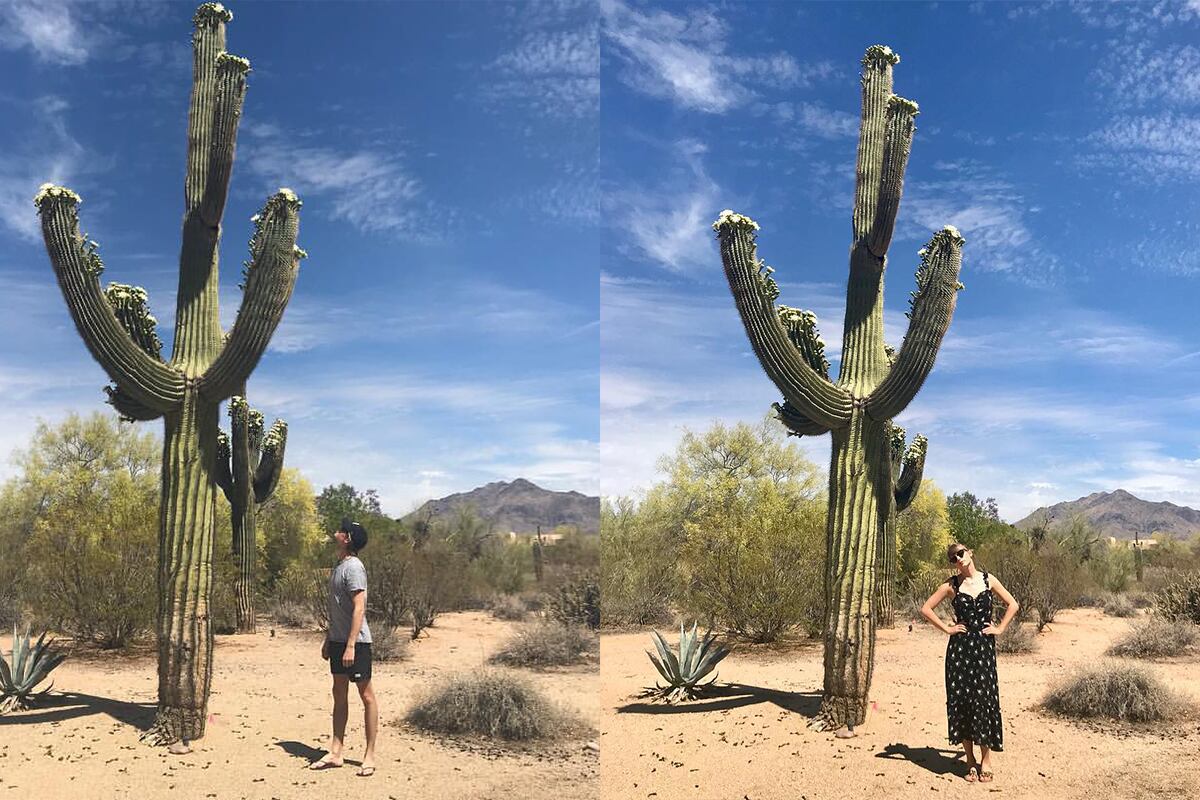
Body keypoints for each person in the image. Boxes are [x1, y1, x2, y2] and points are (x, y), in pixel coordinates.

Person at [920, 542, 1019, 784]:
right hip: (960, 651)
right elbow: (926, 609)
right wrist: (947, 629)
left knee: (984, 699)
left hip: (984, 650)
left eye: (961, 553)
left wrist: (1000, 628)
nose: (958, 559)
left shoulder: (988, 580)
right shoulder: (951, 586)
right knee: (962, 700)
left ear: (970, 553)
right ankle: (970, 759)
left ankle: (986, 759)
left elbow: (1013, 604)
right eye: (953, 558)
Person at [309, 518, 377, 777]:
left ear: (347, 538)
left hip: (356, 643)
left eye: (340, 530)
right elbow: (337, 608)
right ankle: (336, 751)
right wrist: (330, 638)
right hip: (338, 641)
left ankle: (369, 755)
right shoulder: (339, 566)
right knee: (339, 692)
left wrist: (350, 645)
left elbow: (359, 607)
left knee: (366, 695)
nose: (335, 532)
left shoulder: (355, 567)